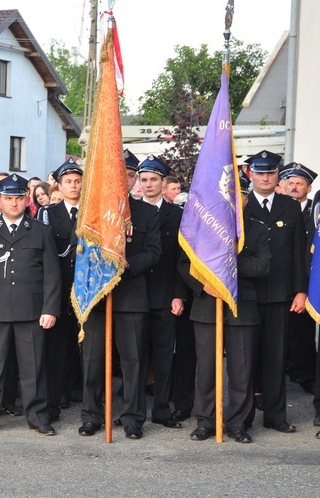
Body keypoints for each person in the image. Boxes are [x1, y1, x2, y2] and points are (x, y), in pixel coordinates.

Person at [0, 174, 61, 436]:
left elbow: (52, 275)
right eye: (8, 198)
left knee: (33, 368)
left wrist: (50, 309)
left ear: (26, 199)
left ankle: (38, 417)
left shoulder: (41, 231)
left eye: (19, 198)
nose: (14, 203)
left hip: (31, 310)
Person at [78, 150, 162, 439]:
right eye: (116, 174)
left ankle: (132, 419)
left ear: (133, 179)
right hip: (97, 296)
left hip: (131, 297)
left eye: (127, 175)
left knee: (133, 363)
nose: (121, 179)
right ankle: (91, 416)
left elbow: (154, 252)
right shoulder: (92, 212)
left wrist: (123, 266)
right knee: (92, 361)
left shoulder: (147, 212)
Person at [181, 174, 271, 443]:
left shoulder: (257, 228)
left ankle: (239, 423)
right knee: (206, 368)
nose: (232, 200)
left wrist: (227, 266)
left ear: (244, 199)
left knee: (241, 371)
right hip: (208, 304)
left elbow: (264, 265)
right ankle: (206, 421)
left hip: (242, 307)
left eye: (237, 195)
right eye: (227, 195)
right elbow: (183, 265)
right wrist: (204, 283)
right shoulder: (202, 227)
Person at [244, 150, 307, 433]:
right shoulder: (239, 207)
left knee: (275, 357)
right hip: (246, 294)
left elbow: (299, 254)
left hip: (281, 294)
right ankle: (242, 418)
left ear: (277, 174)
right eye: (260, 172)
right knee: (244, 359)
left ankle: (275, 417)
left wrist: (300, 291)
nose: (265, 177)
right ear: (250, 174)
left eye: (270, 172)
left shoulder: (290, 207)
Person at [137, 155, 187, 429]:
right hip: (134, 296)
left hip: (166, 295)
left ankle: (161, 408)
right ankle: (133, 411)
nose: (148, 184)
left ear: (164, 182)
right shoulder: (128, 212)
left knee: (164, 355)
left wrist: (179, 294)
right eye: (143, 180)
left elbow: (182, 258)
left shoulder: (178, 215)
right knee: (135, 357)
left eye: (154, 180)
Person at [37, 160, 84, 421]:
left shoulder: (92, 211)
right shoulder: (47, 214)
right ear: (60, 184)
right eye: (68, 181)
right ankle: (53, 402)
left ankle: (90, 403)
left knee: (88, 349)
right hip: (59, 288)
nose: (73, 185)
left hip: (87, 288)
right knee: (56, 349)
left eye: (77, 181)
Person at [281, 162, 319, 394]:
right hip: (280, 280)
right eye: (290, 183)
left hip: (306, 279)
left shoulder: (315, 213)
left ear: (309, 188)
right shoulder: (279, 208)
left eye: (299, 184)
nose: (294, 187)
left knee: (303, 331)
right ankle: (286, 370)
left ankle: (306, 375)